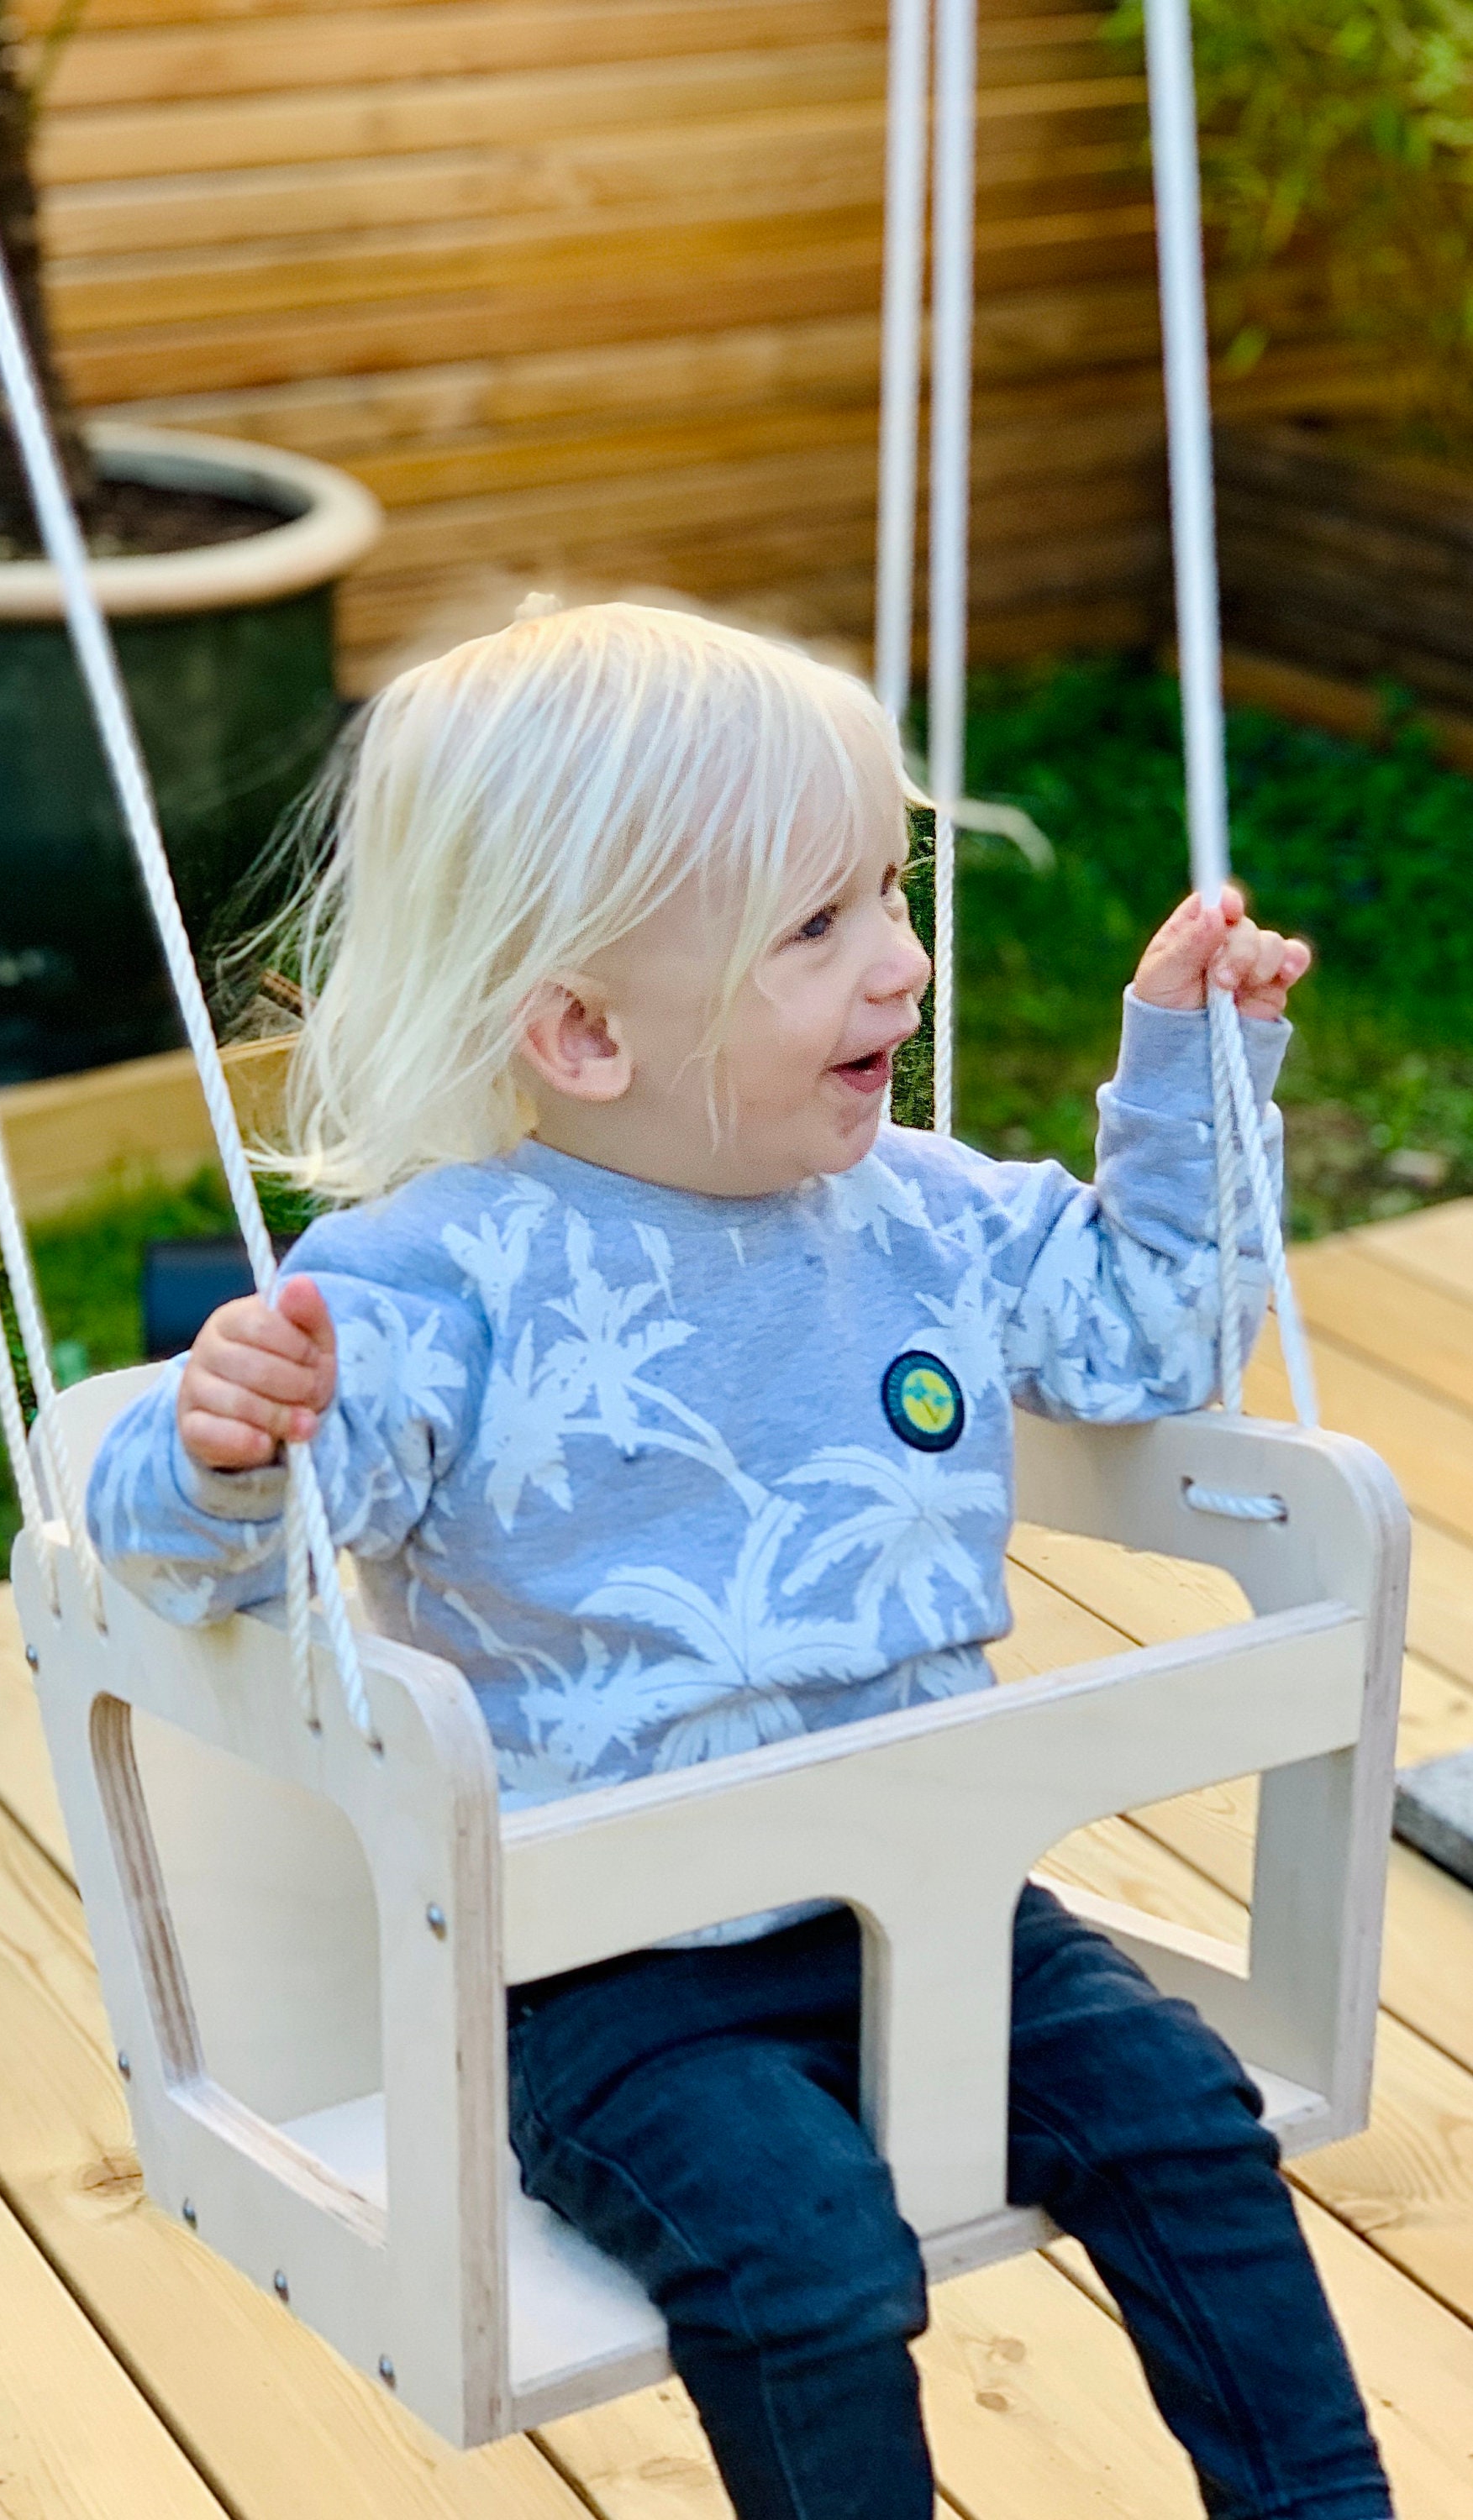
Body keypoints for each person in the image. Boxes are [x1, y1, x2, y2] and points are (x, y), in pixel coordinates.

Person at [87, 602, 1388, 2520]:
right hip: (612, 1976)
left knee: (1184, 2123)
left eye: (889, 890)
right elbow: (205, 1564)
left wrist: (1193, 1080)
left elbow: (1142, 1341)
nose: (906, 961)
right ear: (586, 1031)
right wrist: (218, 1440)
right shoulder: (444, 1282)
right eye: (821, 926)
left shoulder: (923, 1214)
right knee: (805, 2264)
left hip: (933, 1899)